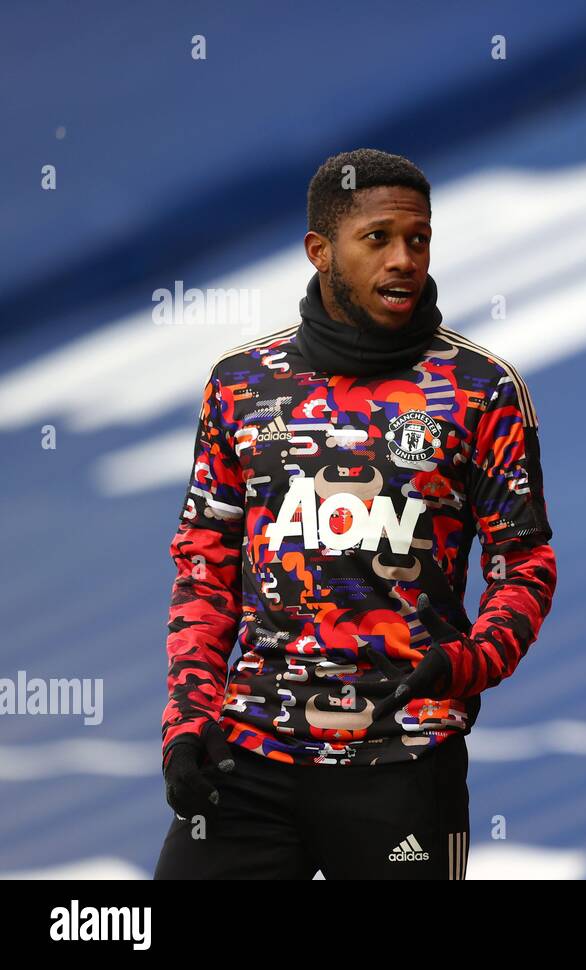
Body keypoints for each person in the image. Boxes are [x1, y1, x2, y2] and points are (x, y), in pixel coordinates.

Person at [154, 148, 557, 879]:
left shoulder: (482, 389)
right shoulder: (240, 386)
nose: (404, 259)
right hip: (249, 754)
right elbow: (203, 568)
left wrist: (470, 663)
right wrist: (187, 722)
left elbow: (524, 562)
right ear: (320, 251)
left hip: (406, 761)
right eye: (378, 239)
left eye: (418, 239)